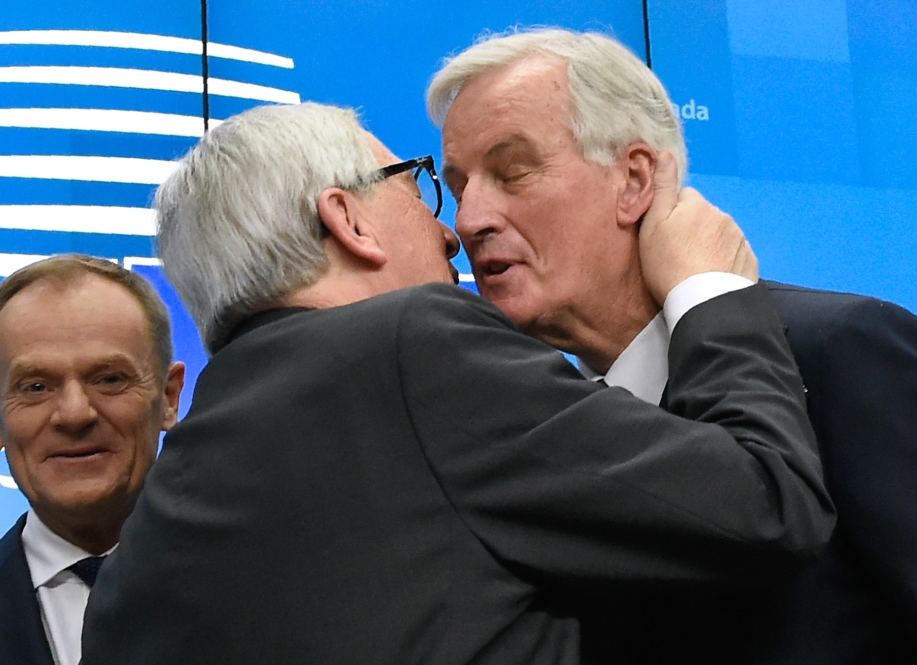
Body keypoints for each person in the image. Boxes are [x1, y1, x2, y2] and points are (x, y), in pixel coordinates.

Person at [79, 101, 833, 665]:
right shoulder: (414, 344)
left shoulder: (136, 558)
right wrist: (710, 291)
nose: (453, 231)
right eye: (417, 189)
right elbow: (766, 501)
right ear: (348, 220)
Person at [428, 27, 917, 664]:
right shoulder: (535, 429)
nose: (469, 220)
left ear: (633, 180)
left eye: (513, 172)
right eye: (460, 187)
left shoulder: (836, 350)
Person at [0, 255, 185, 665]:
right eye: (36, 386)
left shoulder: (266, 592)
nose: (75, 414)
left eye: (109, 378)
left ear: (168, 398)